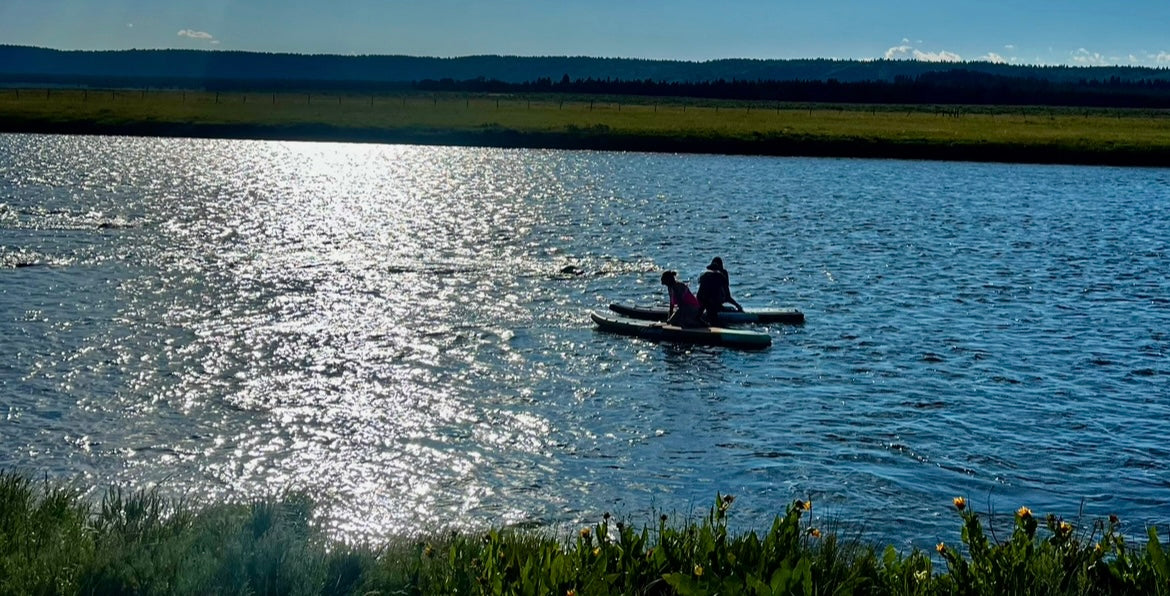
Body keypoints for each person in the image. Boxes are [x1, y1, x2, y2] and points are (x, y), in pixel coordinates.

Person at [696, 256, 743, 324]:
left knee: (710, 309)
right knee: (715, 317)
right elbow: (727, 296)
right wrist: (737, 306)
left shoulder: (704, 276)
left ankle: (702, 317)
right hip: (710, 302)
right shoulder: (720, 276)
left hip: (703, 301)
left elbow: (701, 295)